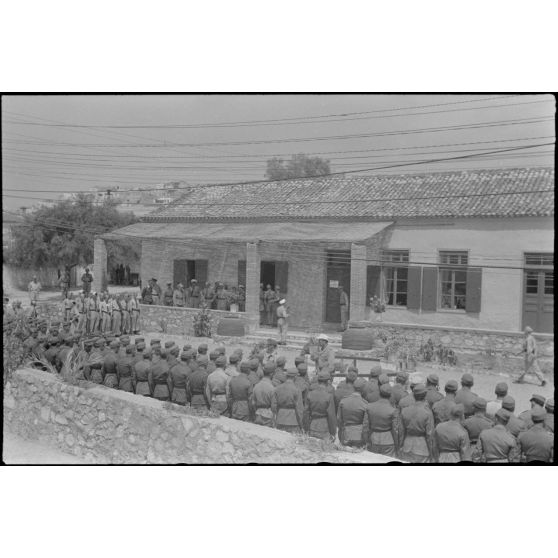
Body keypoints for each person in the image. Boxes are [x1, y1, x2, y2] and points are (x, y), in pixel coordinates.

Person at [398, 384, 434, 463]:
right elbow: (429, 435)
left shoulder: (405, 411)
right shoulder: (427, 413)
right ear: (425, 396)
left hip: (406, 446)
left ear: (413, 396)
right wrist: (432, 453)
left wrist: (400, 446)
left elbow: (401, 432)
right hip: (422, 449)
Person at [365, 383, 398, 457]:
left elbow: (365, 426)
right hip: (388, 441)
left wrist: (366, 440)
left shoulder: (369, 407)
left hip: (373, 439)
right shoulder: (393, 410)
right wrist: (397, 444)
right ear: (390, 396)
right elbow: (395, 430)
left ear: (379, 393)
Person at [304, 370, 337, 440]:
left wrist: (306, 429)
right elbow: (331, 416)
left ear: (318, 381)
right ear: (328, 382)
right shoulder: (329, 396)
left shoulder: (310, 394)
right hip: (324, 428)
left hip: (312, 426)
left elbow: (306, 414)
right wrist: (333, 432)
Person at [272, 368, 304, 433]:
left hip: (280, 419)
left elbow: (273, 406)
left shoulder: (278, 388)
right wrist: (301, 425)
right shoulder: (297, 389)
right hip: (293, 420)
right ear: (295, 377)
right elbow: (299, 409)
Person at [337, 378, 368, 448]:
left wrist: (341, 434)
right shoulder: (364, 404)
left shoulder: (343, 401)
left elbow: (339, 420)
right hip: (359, 436)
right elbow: (365, 424)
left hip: (345, 434)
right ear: (363, 390)